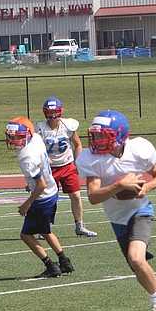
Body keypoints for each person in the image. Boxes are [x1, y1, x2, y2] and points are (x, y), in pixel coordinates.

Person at [75, 110, 156, 311]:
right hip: (117, 218)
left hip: (141, 210)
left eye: (101, 136)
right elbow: (94, 197)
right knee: (140, 268)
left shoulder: (138, 149)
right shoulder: (92, 159)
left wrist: (145, 188)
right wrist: (120, 185)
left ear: (119, 135)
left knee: (136, 258)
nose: (95, 141)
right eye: (94, 135)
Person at [6, 116, 74, 278]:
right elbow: (46, 163)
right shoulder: (36, 139)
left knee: (26, 235)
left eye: (17, 137)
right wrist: (31, 183)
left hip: (42, 197)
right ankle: (64, 262)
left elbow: (41, 184)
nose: (14, 140)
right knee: (44, 230)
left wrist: (26, 204)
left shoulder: (27, 157)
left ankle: (51, 266)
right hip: (51, 191)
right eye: (12, 137)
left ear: (26, 134)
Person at [35, 97, 97, 237]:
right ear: (45, 113)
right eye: (50, 112)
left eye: (55, 111)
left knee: (75, 195)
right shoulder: (40, 129)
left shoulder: (68, 126)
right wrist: (45, 159)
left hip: (67, 165)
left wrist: (78, 161)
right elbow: (36, 149)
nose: (53, 115)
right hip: (50, 168)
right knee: (50, 198)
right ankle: (44, 227)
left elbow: (78, 145)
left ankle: (79, 226)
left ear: (60, 111)